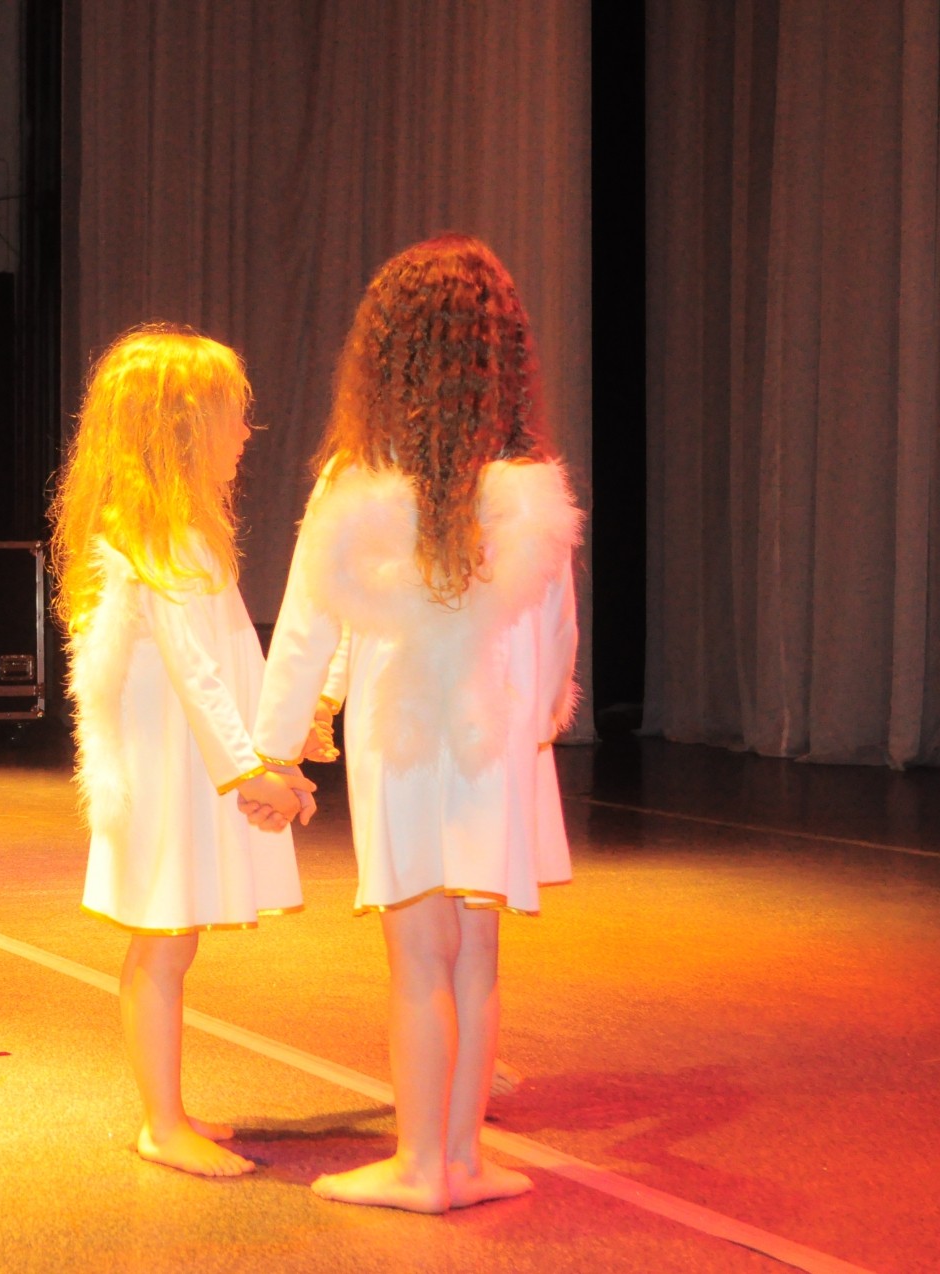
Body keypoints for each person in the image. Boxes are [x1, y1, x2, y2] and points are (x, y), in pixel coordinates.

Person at [250, 235, 581, 1212]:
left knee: (415, 956)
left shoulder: (357, 478)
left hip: (401, 734)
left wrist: (274, 751)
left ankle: (419, 1166)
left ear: (384, 350)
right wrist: (536, 728)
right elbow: (556, 635)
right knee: (475, 954)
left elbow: (307, 624)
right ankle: (462, 1161)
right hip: (493, 736)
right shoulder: (530, 481)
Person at [49, 325, 315, 1178]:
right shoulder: (152, 534)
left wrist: (283, 744)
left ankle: (168, 1112)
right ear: (182, 426)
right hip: (174, 768)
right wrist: (251, 772)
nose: (246, 432)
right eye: (232, 415)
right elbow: (197, 674)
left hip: (193, 760)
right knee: (163, 941)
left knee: (174, 939)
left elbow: (232, 654)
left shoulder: (183, 531)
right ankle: (160, 1125)